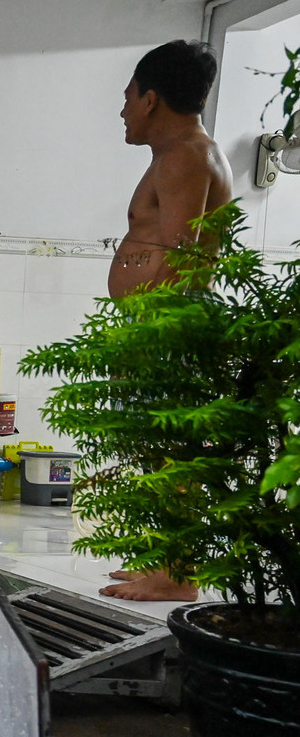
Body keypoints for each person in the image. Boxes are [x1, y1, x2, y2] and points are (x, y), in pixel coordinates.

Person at [100, 40, 232, 603]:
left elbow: (181, 260)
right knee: (156, 449)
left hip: (165, 329)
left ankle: (177, 572)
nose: (123, 110)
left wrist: (144, 340)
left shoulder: (184, 155)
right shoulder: (179, 154)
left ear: (151, 99)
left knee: (170, 448)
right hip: (157, 327)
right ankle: (166, 561)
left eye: (128, 98)